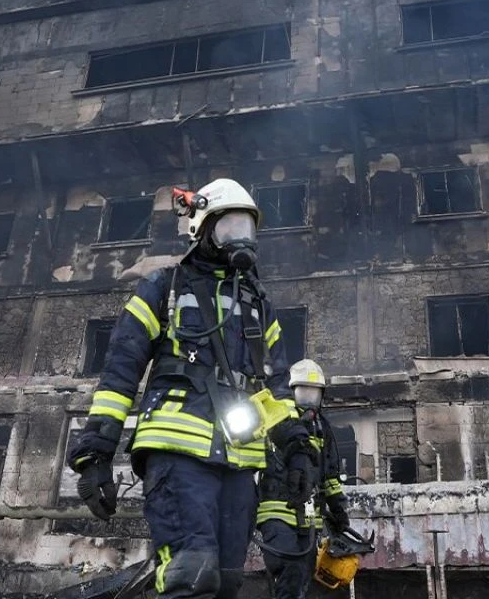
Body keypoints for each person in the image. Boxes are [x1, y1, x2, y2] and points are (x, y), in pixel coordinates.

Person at [67, 179, 318, 599]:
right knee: (191, 571)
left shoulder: (258, 305)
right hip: (177, 452)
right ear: (202, 228)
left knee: (227, 581)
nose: (240, 238)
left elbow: (274, 387)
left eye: (247, 228)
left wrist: (297, 448)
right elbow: (121, 371)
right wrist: (96, 451)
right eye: (230, 227)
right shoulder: (164, 287)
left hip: (240, 461)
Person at [256, 359, 350, 599]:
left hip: (309, 514)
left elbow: (329, 474)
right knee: (287, 565)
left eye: (313, 394)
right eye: (304, 393)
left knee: (304, 573)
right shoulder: (277, 420)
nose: (309, 401)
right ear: (291, 392)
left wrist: (338, 509)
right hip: (277, 509)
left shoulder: (322, 428)